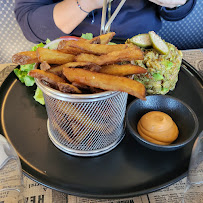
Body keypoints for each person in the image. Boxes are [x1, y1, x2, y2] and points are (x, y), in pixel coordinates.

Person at [14, 0, 196, 44]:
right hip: (71, 53)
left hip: (144, 52)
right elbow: (29, 23)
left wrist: (176, 2)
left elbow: (180, 11)